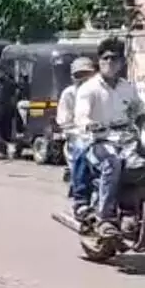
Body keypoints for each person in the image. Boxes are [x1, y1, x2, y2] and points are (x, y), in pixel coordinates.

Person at [72, 36, 145, 238]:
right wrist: (89, 123)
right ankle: (106, 217)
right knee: (112, 163)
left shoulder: (126, 88)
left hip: (124, 141)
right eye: (105, 58)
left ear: (122, 63)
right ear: (99, 61)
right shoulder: (89, 88)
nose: (109, 63)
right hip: (96, 141)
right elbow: (81, 115)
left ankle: (131, 210)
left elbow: (139, 112)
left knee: (144, 163)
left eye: (114, 59)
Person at [55, 56, 96, 216]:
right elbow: (64, 120)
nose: (84, 78)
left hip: (105, 135)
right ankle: (81, 199)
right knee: (82, 151)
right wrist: (79, 129)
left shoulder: (101, 90)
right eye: (80, 75)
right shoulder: (69, 94)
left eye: (88, 74)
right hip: (79, 135)